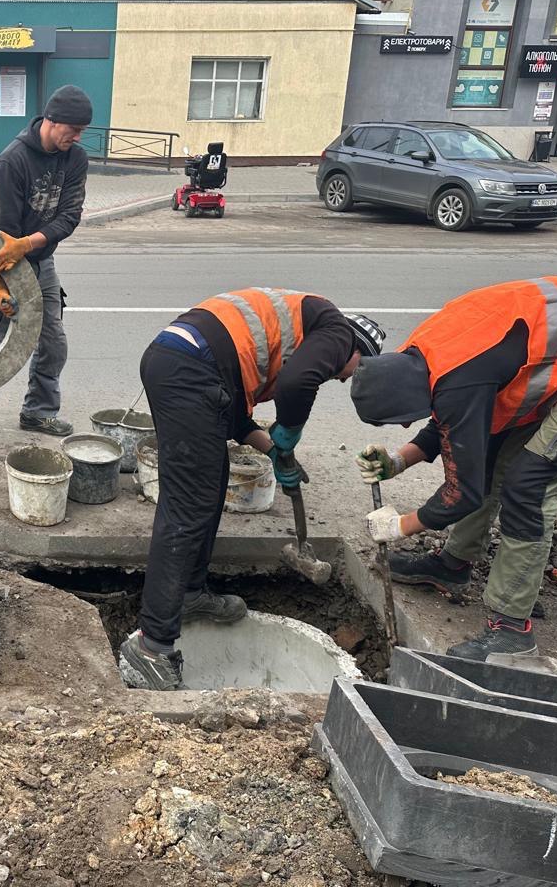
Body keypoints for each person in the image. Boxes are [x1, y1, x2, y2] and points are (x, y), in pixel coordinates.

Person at [118, 290, 386, 690]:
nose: (343, 377)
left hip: (184, 363)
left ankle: (188, 594)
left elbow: (234, 419)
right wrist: (290, 431)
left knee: (208, 487)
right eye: (354, 369)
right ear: (356, 348)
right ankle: (152, 646)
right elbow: (298, 383)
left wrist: (275, 452)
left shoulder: (286, 340)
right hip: (188, 365)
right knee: (187, 504)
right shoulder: (337, 330)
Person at [351, 277, 557, 661]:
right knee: (487, 451)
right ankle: (452, 565)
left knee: (528, 484)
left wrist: (401, 526)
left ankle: (512, 633)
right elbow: (458, 423)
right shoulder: (423, 359)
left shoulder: (458, 379)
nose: (407, 424)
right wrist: (398, 461)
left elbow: (463, 492)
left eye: (401, 418)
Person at [0, 85, 93, 456]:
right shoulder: (13, 161)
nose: (77, 137)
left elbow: (69, 217)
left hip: (41, 258)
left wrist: (30, 243)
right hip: (9, 262)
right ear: (51, 120)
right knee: (2, 347)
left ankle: (38, 411)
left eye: (82, 131)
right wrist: (1, 285)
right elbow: (4, 234)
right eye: (73, 129)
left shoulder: (75, 158)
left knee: (53, 342)